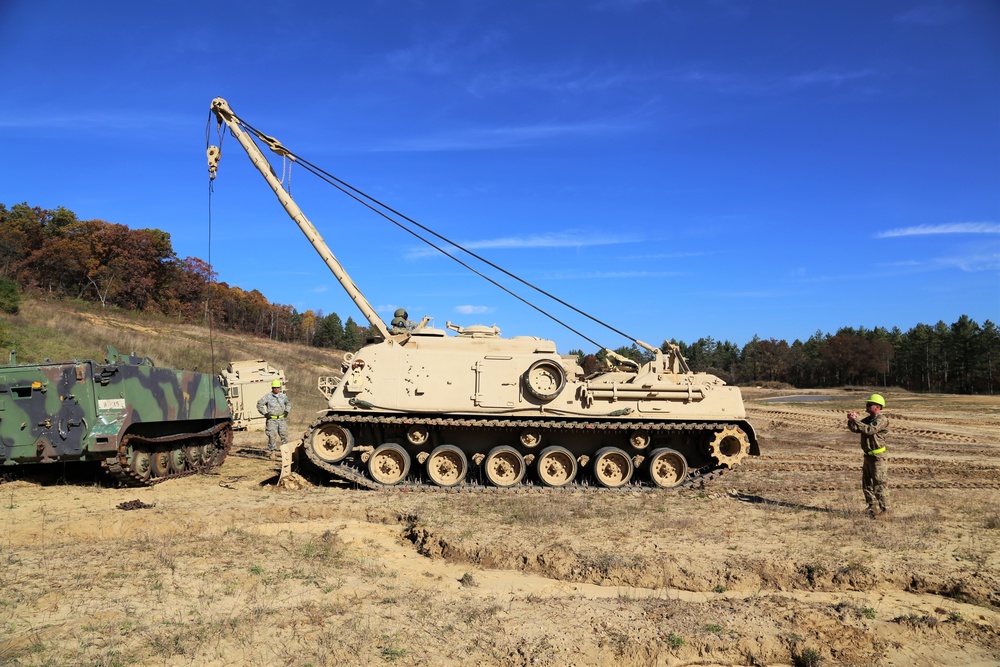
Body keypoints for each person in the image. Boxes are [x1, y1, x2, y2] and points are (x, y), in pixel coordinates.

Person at [847, 393, 889, 519]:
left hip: (878, 456)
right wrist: (851, 421)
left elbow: (869, 430)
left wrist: (856, 421)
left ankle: (885, 510)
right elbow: (856, 429)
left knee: (879, 483)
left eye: (869, 404)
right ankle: (872, 507)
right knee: (866, 483)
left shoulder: (881, 419)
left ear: (877, 407)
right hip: (868, 456)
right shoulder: (868, 419)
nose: (866, 406)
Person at [257, 379, 291, 460]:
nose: (276, 389)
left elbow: (288, 403)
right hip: (272, 420)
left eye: (277, 387)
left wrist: (287, 411)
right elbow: (259, 405)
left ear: (280, 388)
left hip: (281, 419)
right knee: (272, 436)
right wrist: (265, 414)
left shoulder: (283, 396)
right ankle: (273, 453)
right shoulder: (267, 397)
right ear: (272, 388)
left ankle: (286, 453)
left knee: (284, 436)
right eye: (274, 387)